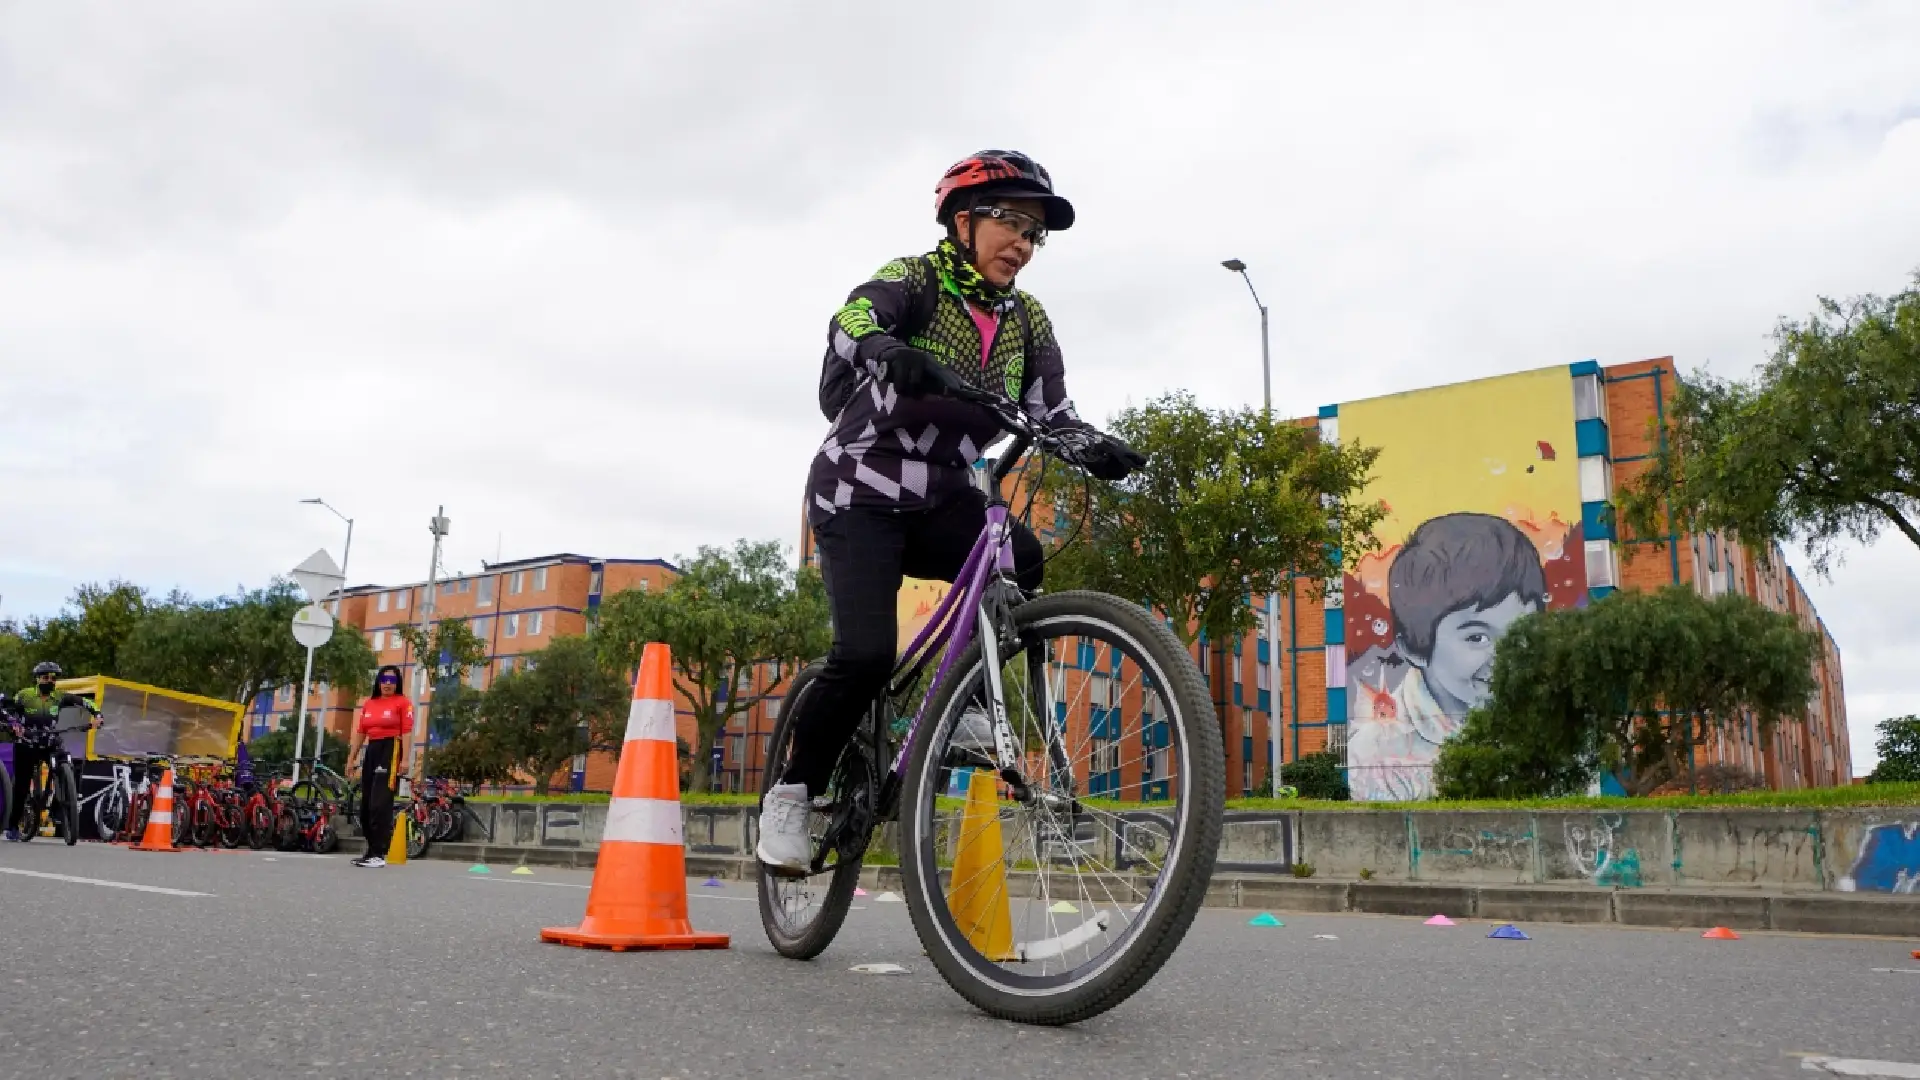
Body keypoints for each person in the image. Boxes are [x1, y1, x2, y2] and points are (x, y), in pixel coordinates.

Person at [758, 150, 1145, 872]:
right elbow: (849, 319)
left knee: (1020, 554)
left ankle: (968, 701)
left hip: (942, 492)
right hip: (860, 486)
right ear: (963, 221)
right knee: (865, 657)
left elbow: (1051, 411)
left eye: (1034, 233)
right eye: (1011, 222)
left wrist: (1094, 446)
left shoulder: (1028, 320)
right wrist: (886, 349)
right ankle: (792, 793)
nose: (1023, 243)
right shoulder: (917, 279)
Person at [1348, 513, 1548, 800]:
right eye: (1477, 638)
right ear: (1414, 649)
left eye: (1522, 633)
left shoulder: (1552, 725)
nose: (1506, 656)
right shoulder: (1377, 755)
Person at [6, 661, 100, 841]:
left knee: (68, 764)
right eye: (46, 677)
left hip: (50, 742)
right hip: (27, 743)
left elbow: (85, 702)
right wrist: (14, 725)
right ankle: (13, 825)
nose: (50, 681)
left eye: (53, 678)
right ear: (37, 679)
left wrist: (98, 715)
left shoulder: (59, 697)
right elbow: (10, 711)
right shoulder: (24, 695)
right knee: (22, 786)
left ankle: (61, 808)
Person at [345, 665, 412, 867]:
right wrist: (351, 758)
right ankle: (371, 851)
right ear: (378, 681)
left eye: (392, 680)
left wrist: (405, 759)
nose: (387, 684)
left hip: (390, 749)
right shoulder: (369, 704)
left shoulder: (403, 703)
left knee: (379, 803)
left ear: (397, 683)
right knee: (365, 805)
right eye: (384, 680)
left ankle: (379, 853)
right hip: (372, 750)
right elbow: (361, 732)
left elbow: (407, 732)